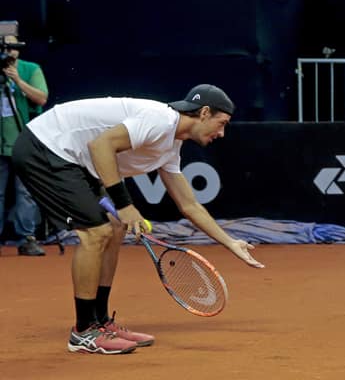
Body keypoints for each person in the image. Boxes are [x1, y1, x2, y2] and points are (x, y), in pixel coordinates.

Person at [12, 84, 265, 355]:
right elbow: (100, 146)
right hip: (46, 147)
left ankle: (100, 321)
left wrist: (230, 243)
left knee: (116, 227)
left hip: (76, 160)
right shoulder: (160, 120)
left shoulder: (171, 146)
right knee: (97, 233)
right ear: (204, 112)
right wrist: (125, 205)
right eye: (221, 123)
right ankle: (84, 332)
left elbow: (189, 205)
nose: (222, 133)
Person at [0, 34, 48, 256]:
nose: (9, 51)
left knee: (26, 192)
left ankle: (27, 237)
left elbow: (41, 98)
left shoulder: (30, 69)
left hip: (22, 141)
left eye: (12, 46)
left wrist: (18, 80)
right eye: (4, 46)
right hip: (1, 142)